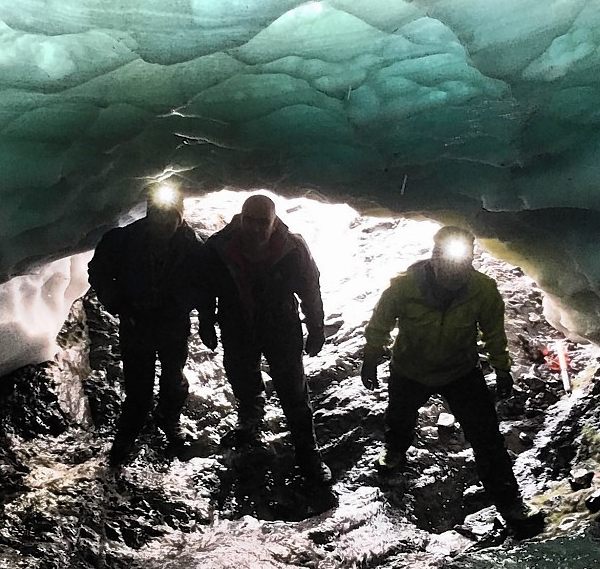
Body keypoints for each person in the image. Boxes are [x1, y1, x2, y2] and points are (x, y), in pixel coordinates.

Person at [360, 225, 546, 539]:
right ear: (433, 259)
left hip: (460, 371)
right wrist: (371, 357)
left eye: (461, 263)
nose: (453, 271)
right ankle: (394, 456)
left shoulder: (482, 289)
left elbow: (493, 334)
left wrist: (502, 370)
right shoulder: (404, 287)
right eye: (446, 262)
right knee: (399, 420)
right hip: (409, 370)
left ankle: (510, 503)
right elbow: (380, 323)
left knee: (487, 438)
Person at [197, 194, 332, 485]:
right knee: (240, 373)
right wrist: (206, 323)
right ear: (240, 218)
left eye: (262, 223)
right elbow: (205, 289)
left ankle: (308, 452)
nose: (255, 228)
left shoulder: (293, 248)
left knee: (294, 390)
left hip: (280, 326)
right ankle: (251, 415)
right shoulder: (218, 247)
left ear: (273, 223)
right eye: (249, 221)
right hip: (236, 323)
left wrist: (316, 328)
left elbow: (310, 290)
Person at [87, 184, 203, 470]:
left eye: (170, 217)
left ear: (180, 218)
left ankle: (169, 418)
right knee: (138, 388)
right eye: (158, 216)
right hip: (136, 323)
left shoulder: (193, 246)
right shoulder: (122, 241)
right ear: (149, 215)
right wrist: (119, 303)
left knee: (173, 375)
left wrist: (178, 304)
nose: (163, 224)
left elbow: (203, 282)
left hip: (171, 324)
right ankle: (128, 432)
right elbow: (98, 272)